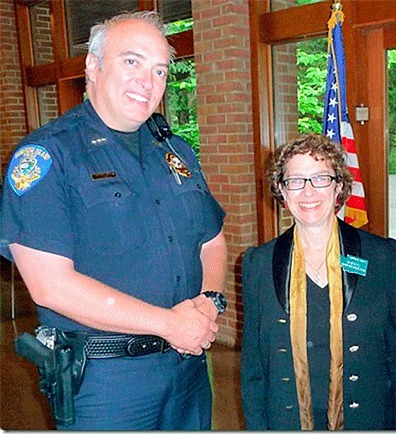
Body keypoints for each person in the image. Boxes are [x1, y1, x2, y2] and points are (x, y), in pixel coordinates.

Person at [1, 11, 228, 430]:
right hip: (106, 384)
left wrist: (207, 305)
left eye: (160, 70)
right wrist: (170, 324)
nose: (148, 81)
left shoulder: (175, 152)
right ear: (93, 65)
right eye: (132, 61)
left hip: (188, 369)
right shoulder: (48, 156)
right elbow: (50, 286)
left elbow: (212, 241)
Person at [240, 134, 396, 430]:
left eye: (321, 178)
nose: (308, 192)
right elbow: (253, 370)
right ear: (282, 192)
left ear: (338, 186)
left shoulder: (381, 258)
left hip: (366, 420)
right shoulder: (258, 264)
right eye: (295, 180)